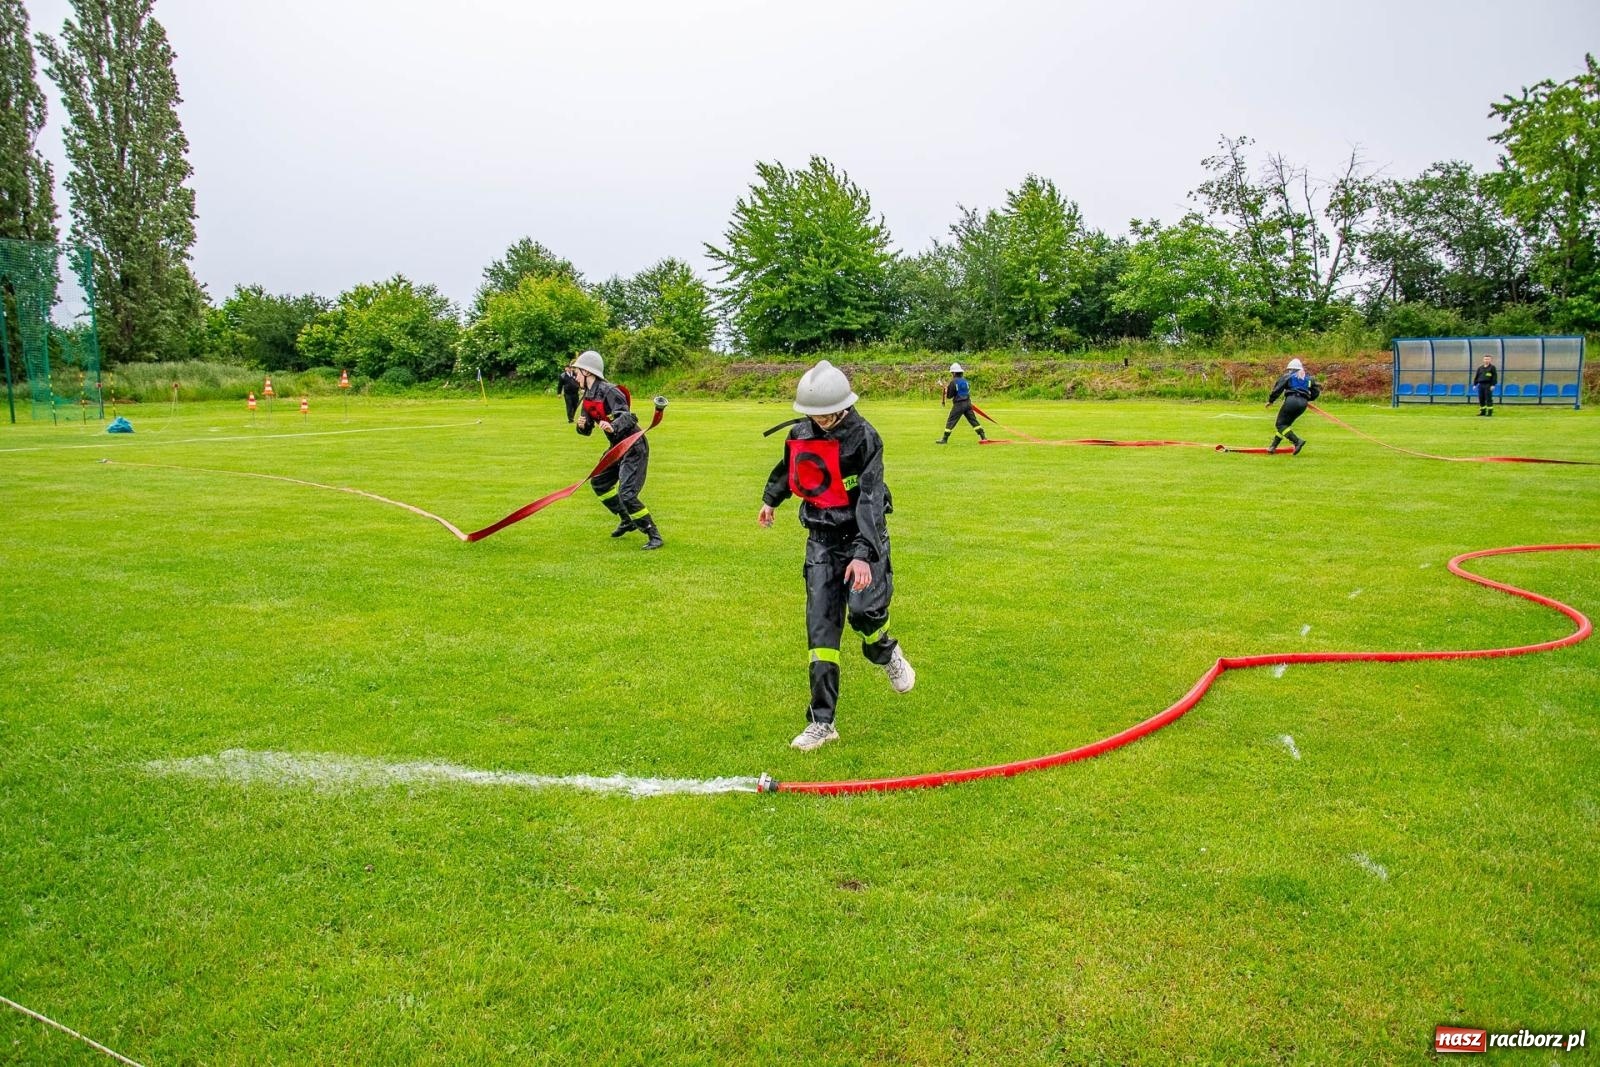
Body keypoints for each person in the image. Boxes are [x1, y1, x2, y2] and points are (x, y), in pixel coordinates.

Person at [759, 359, 914, 751]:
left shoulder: (865, 437)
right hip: (822, 542)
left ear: (843, 406)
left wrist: (863, 554)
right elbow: (788, 469)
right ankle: (822, 722)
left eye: (827, 415)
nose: (821, 422)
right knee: (822, 632)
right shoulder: (801, 431)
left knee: (863, 613)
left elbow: (871, 502)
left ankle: (885, 651)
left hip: (863, 537)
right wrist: (770, 499)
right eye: (814, 415)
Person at [569, 349, 663, 550]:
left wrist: (613, 426)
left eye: (577, 372)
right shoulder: (587, 397)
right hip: (616, 447)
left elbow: (628, 417)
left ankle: (653, 534)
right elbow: (586, 431)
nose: (574, 376)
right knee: (600, 483)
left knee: (627, 494)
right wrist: (581, 425)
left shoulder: (610, 391)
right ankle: (626, 519)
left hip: (633, 446)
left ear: (588, 373)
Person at [1265, 357, 1319, 455]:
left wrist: (1271, 400)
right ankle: (1273, 447)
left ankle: (1297, 441)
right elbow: (1316, 392)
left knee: (1280, 424)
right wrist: (1307, 398)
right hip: (1303, 404)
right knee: (1285, 425)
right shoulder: (1309, 379)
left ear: (1291, 369)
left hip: (1292, 401)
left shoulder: (1288, 376)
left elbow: (1278, 388)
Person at [937, 362, 986, 444]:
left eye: (952, 373)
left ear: (954, 373)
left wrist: (946, 390)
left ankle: (944, 439)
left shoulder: (953, 382)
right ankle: (983, 436)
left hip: (959, 405)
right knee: (973, 420)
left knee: (951, 421)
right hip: (968, 404)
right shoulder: (965, 381)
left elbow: (949, 396)